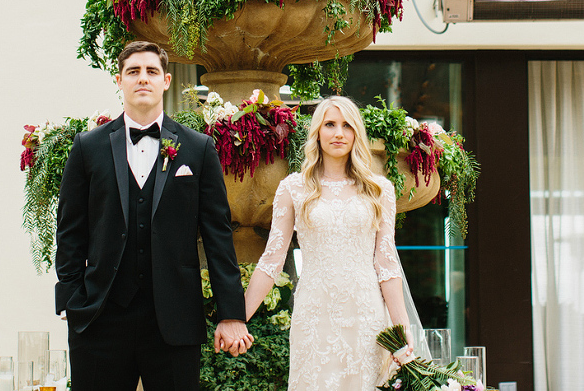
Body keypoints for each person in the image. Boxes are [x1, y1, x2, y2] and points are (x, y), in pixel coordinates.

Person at [55, 40, 253, 391]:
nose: (142, 78)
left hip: (175, 321)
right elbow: (71, 231)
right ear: (119, 81)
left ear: (165, 80)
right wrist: (72, 302)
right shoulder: (88, 147)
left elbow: (218, 236)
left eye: (151, 71)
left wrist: (232, 313)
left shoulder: (198, 148)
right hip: (100, 319)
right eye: (133, 72)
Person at [244, 95, 413, 391]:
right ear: (317, 132)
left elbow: (386, 264)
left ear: (356, 133)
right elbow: (271, 261)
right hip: (314, 315)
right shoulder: (293, 188)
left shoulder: (380, 190)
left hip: (366, 316)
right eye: (330, 124)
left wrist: (402, 330)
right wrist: (236, 317)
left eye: (347, 126)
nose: (338, 133)